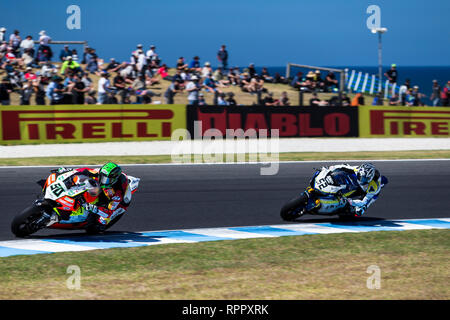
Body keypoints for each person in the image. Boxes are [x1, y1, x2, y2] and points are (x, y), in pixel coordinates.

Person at [317, 163, 386, 216]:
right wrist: (329, 169)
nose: (362, 180)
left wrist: (351, 202)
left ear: (370, 179)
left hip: (369, 192)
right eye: (361, 177)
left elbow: (364, 201)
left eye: (365, 179)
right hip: (359, 182)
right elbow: (344, 166)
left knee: (360, 210)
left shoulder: (374, 187)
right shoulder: (357, 169)